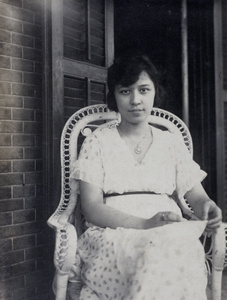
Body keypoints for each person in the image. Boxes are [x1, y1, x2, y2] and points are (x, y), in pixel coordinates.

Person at [68, 53, 222, 300]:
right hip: (113, 232)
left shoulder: (171, 142)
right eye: (125, 91)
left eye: (144, 90)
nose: (136, 100)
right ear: (114, 97)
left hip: (167, 230)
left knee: (176, 251)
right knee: (152, 256)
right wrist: (145, 224)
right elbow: (91, 207)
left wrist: (207, 206)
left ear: (155, 93)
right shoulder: (98, 141)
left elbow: (195, 193)